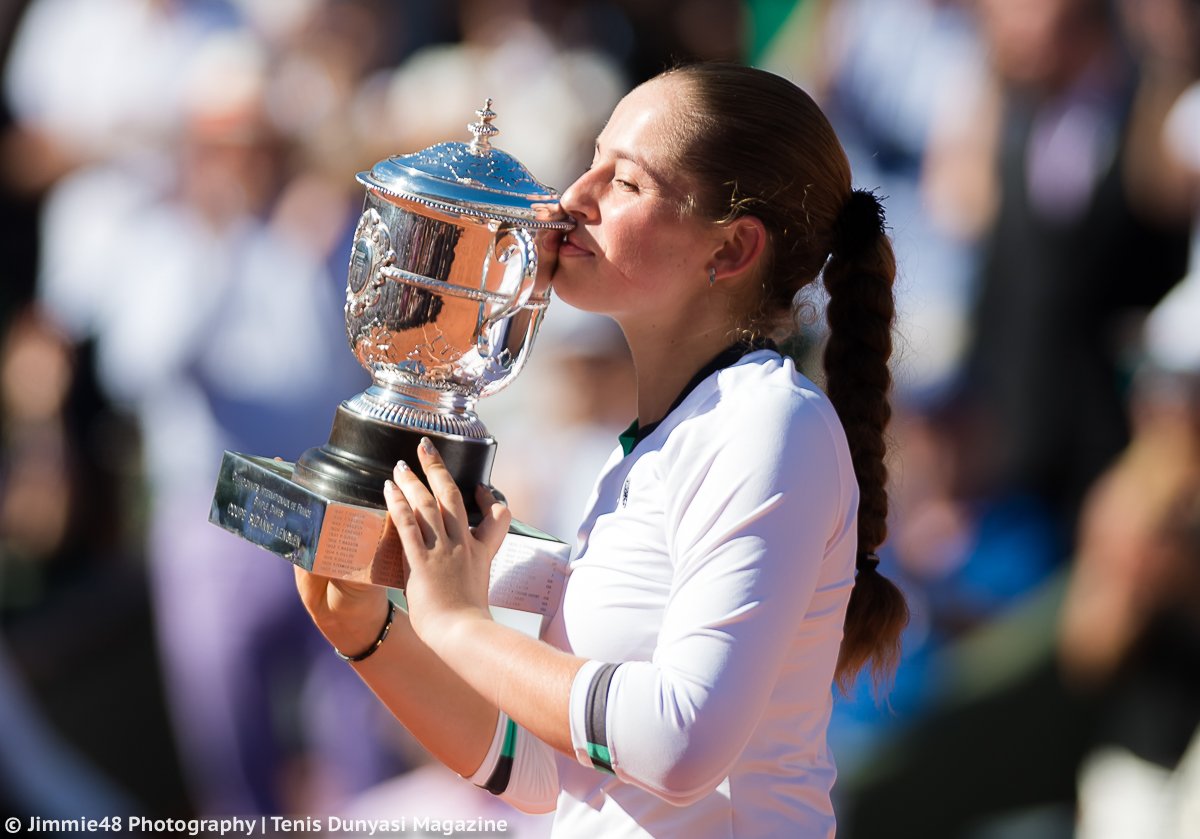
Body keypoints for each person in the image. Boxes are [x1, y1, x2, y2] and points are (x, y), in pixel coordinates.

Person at [295, 61, 908, 838]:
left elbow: (679, 742)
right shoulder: (661, 438)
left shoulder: (770, 423)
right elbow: (553, 775)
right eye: (590, 162)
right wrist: (372, 632)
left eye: (624, 182)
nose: (568, 200)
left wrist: (456, 622)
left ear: (730, 250)